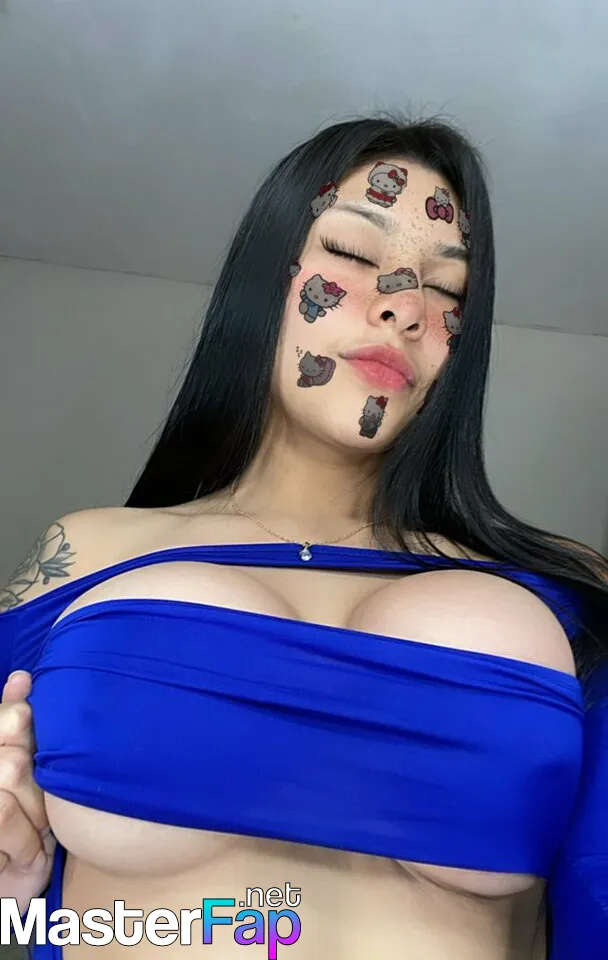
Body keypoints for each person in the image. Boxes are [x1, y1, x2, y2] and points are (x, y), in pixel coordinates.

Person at [1, 115, 607, 960]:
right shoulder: (87, 554)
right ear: (266, 274)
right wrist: (16, 899)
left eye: (448, 291)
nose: (404, 306)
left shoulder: (569, 593)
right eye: (354, 253)